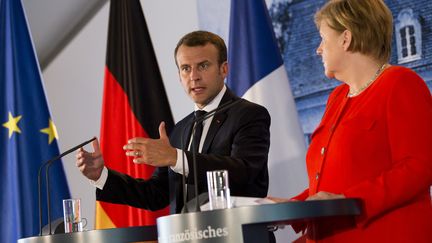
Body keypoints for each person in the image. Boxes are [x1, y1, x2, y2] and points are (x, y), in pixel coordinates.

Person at [269, 0, 432, 242]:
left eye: (323, 38)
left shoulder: (401, 83)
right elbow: (331, 187)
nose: (319, 49)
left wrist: (349, 202)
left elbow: (418, 167)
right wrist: (291, 207)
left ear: (346, 38)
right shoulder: (336, 98)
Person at [75, 31, 271, 215]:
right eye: (186, 68)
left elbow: (244, 172)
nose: (194, 76)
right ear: (179, 76)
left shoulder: (249, 115)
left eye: (203, 65)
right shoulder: (180, 129)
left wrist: (177, 158)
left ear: (224, 69)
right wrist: (101, 176)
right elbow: (155, 195)